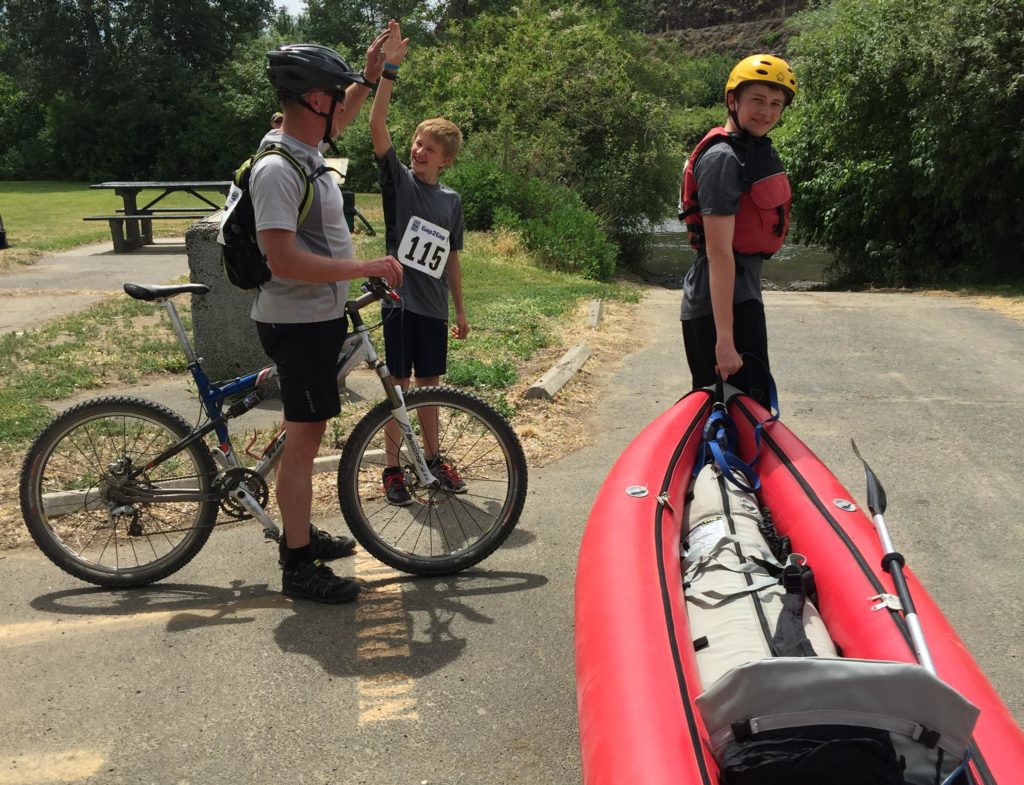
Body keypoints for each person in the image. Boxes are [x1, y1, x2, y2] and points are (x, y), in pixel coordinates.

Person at [253, 39, 404, 603]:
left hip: (312, 315)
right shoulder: (278, 168)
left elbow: (343, 114)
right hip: (298, 321)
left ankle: (298, 528)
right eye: (334, 95)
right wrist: (366, 264)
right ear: (314, 98)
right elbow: (283, 259)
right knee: (304, 443)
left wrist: (370, 76)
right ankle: (297, 564)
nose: (341, 106)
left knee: (303, 433)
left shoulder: (305, 149)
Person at [369, 20, 468, 506]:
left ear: (445, 160)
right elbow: (377, 126)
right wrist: (389, 70)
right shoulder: (401, 184)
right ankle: (392, 469)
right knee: (399, 390)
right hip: (399, 304)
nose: (418, 150)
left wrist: (461, 310)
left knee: (431, 389)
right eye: (417, 144)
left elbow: (451, 258)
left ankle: (431, 459)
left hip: (433, 309)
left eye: (429, 148)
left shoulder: (450, 202)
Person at [678, 54, 797, 406]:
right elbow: (718, 253)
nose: (767, 112)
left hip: (738, 294)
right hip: (723, 303)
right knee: (736, 412)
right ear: (733, 101)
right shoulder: (722, 159)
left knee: (745, 412)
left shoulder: (745, 152)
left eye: (776, 104)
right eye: (757, 100)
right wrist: (725, 340)